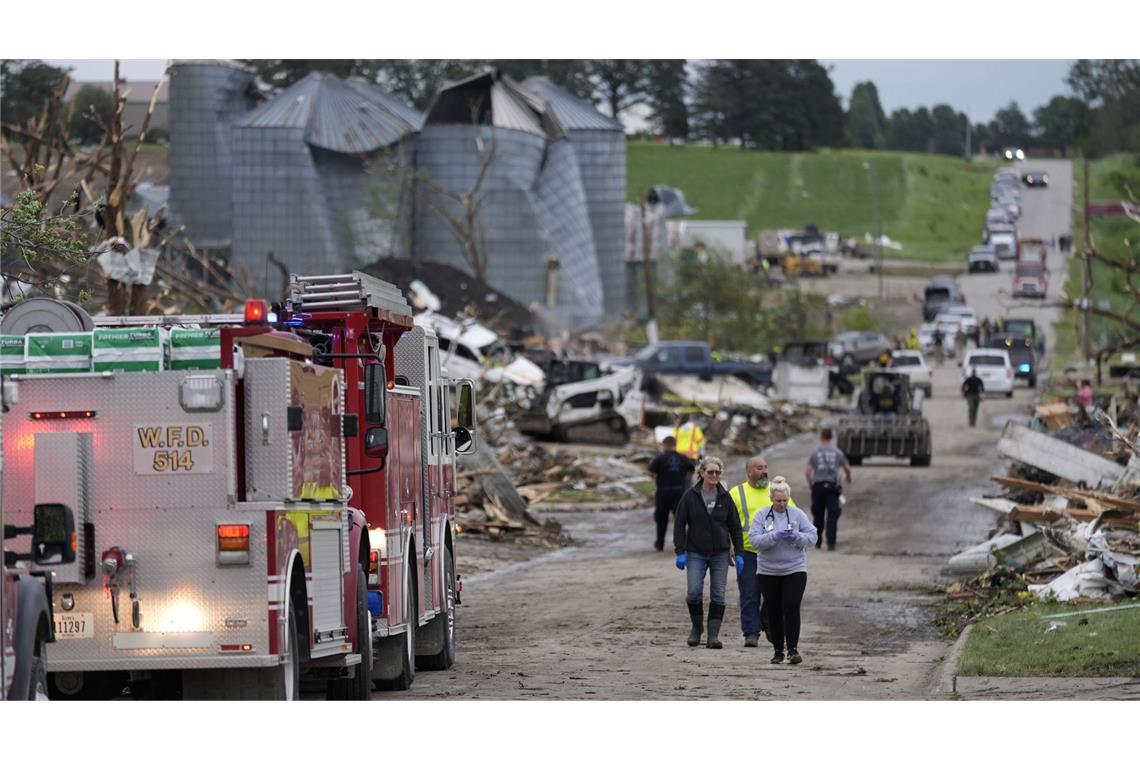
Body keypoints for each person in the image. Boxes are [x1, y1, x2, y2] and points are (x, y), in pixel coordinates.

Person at [674, 456, 744, 649]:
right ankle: (697, 628)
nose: (714, 475)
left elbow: (735, 526)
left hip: (720, 553)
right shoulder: (690, 496)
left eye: (718, 472)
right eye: (710, 472)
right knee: (694, 592)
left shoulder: (725, 497)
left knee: (719, 595)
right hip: (695, 551)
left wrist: (739, 552)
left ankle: (713, 636)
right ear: (701, 473)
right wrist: (680, 551)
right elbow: (679, 524)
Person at [730, 456, 797, 648]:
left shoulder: (777, 491)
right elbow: (727, 522)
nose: (764, 471)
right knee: (750, 593)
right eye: (759, 468)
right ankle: (751, 632)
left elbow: (794, 515)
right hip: (748, 552)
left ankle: (768, 624)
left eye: (766, 467)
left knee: (774, 594)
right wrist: (730, 546)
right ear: (749, 471)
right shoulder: (737, 493)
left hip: (774, 552)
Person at [748, 477, 817, 665]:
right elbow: (754, 541)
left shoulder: (796, 514)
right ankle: (778, 650)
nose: (782, 504)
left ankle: (793, 649)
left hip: (794, 568)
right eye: (778, 500)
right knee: (774, 610)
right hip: (768, 571)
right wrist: (774, 536)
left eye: (785, 500)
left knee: (792, 605)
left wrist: (797, 537)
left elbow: (813, 536)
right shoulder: (762, 515)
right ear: (771, 498)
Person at [805, 428, 852, 551]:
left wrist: (811, 484)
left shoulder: (815, 452)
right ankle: (831, 543)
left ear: (821, 436)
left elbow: (808, 472)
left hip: (818, 486)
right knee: (832, 515)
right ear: (831, 437)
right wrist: (848, 477)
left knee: (818, 515)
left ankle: (818, 541)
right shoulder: (837, 452)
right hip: (832, 487)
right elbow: (847, 468)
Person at [648, 436, 696, 551]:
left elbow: (650, 471)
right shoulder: (683, 458)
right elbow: (692, 469)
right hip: (679, 492)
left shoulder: (660, 458)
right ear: (675, 445)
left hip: (663, 492)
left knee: (661, 519)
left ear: (665, 445)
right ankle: (683, 545)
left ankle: (660, 544)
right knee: (680, 520)